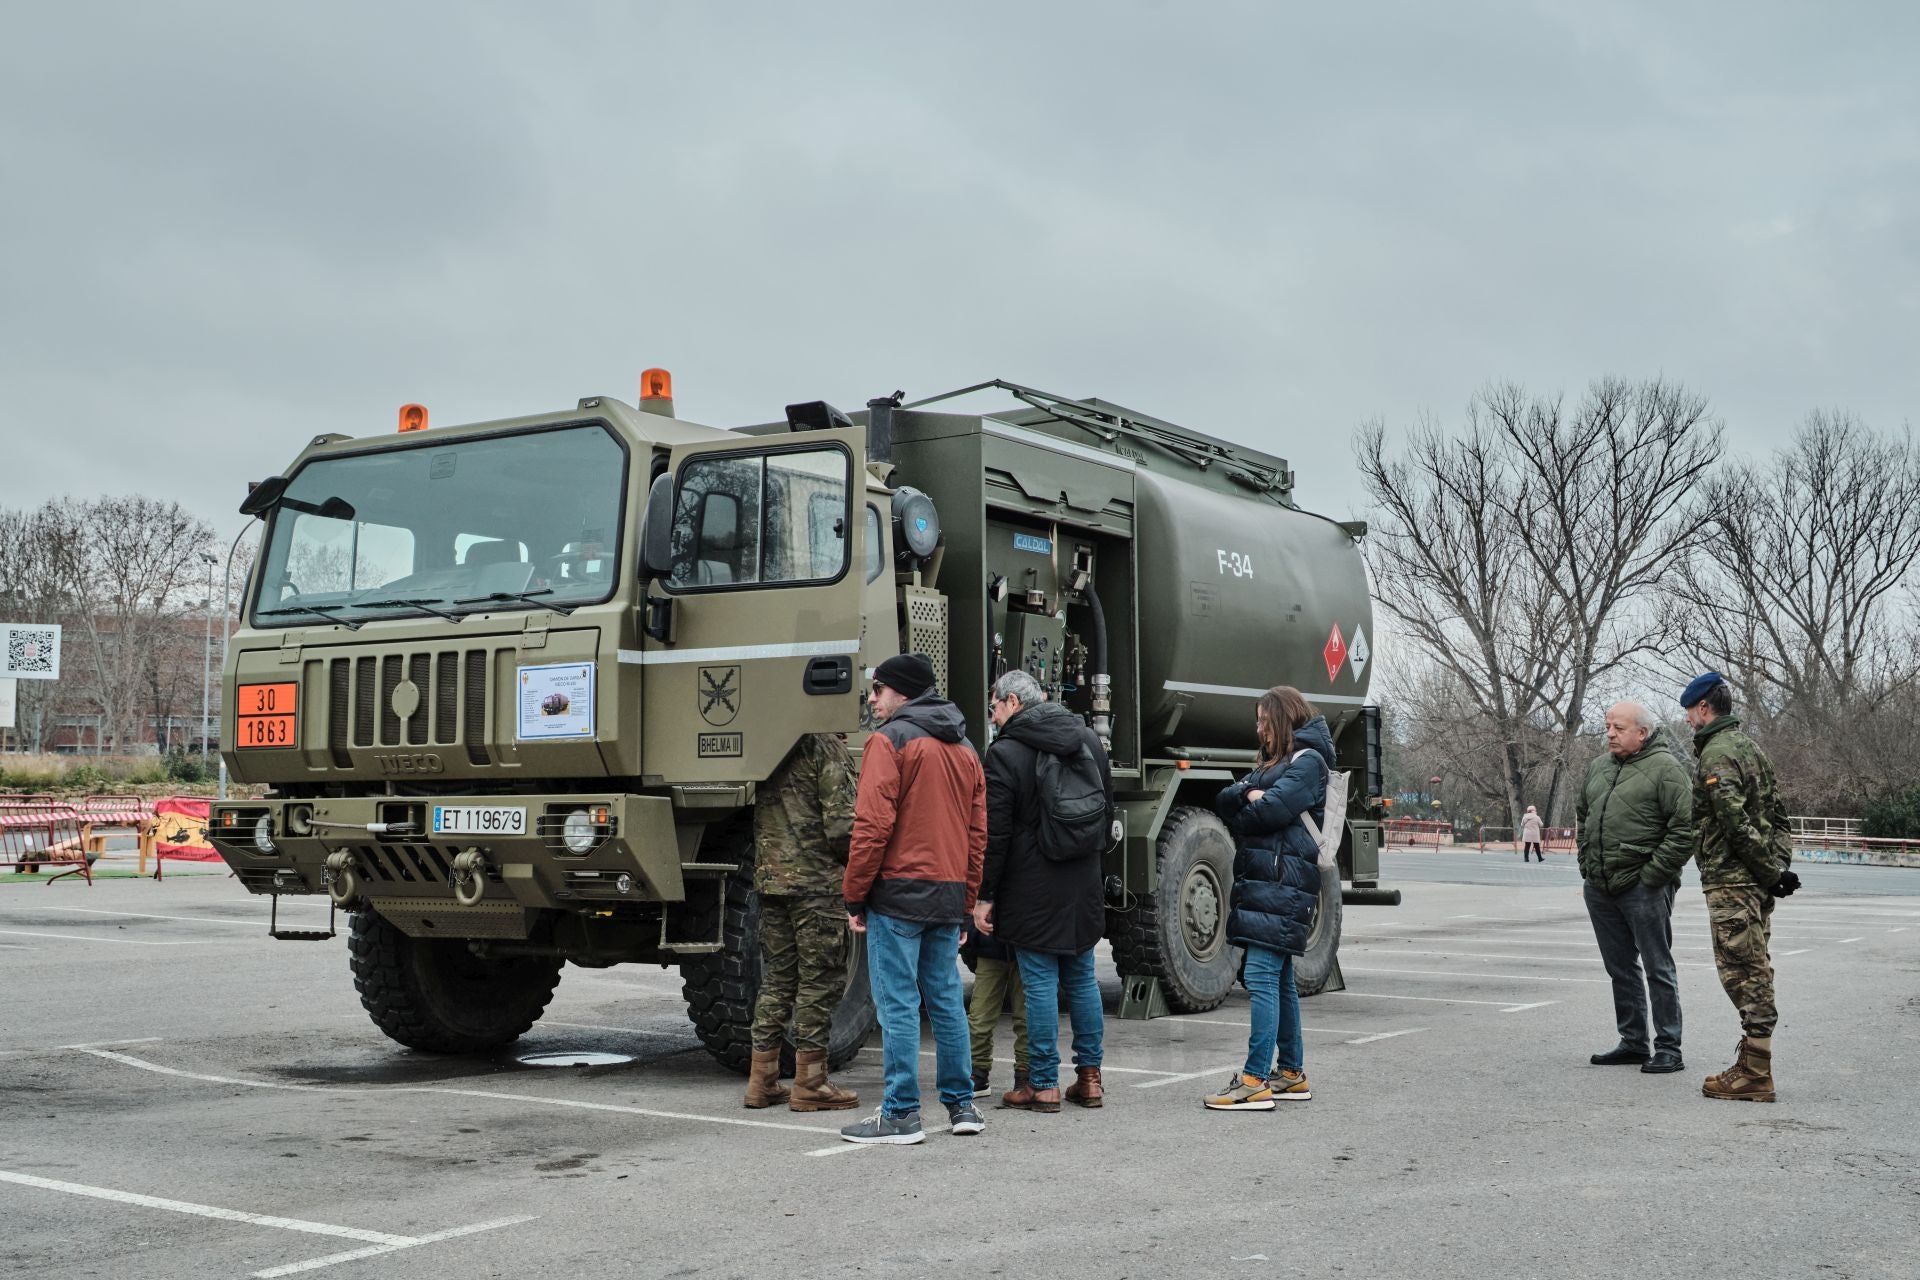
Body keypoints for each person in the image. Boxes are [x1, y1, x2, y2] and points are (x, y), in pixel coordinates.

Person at [839, 653, 988, 1145]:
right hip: (946, 895)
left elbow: (872, 826)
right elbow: (976, 834)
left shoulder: (890, 741)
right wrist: (966, 902)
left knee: (898, 1005)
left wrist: (855, 895)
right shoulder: (964, 746)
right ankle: (962, 1106)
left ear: (900, 692)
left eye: (878, 690)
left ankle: (901, 1113)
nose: (873, 699)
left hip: (897, 893)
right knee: (945, 1001)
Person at [972, 670, 1113, 1113]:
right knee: (1082, 978)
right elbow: (1106, 806)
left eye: (994, 705)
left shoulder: (1006, 752)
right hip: (1081, 878)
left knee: (1038, 984)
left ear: (1013, 701)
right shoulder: (1088, 739)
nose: (992, 714)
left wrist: (984, 895)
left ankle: (1043, 1084)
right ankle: (1089, 1079)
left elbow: (994, 834)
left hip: (1031, 883)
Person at [1203, 686, 1329, 1111]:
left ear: (1281, 719)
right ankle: (1291, 1073)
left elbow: (1268, 812)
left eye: (1262, 721)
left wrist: (1254, 797)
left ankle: (1255, 1079)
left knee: (1259, 975)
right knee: (1278, 980)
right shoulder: (1275, 765)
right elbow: (1225, 801)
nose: (1258, 729)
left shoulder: (1309, 763)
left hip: (1284, 886)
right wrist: (1248, 794)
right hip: (1269, 885)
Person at [1681, 672, 1797, 1103]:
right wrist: (1778, 869)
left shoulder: (1717, 753)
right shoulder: (1753, 750)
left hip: (1734, 881)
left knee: (1743, 971)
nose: (1689, 720)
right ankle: (1753, 1065)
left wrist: (1769, 872)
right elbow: (1779, 816)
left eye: (1690, 712)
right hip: (1755, 880)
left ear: (1704, 708)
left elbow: (1734, 822)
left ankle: (1755, 1073)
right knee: (1754, 965)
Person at [743, 732, 860, 1113]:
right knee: (819, 981)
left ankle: (761, 1081)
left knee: (777, 980)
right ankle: (810, 1082)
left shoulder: (772, 742)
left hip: (771, 880)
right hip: (816, 885)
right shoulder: (826, 748)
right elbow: (842, 825)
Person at [1575, 701, 1694, 1075]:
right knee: (1620, 968)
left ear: (1642, 732)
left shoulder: (1666, 769)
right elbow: (1583, 816)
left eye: (1619, 727)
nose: (1610, 733)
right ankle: (1632, 1042)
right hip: (1600, 885)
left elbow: (1685, 828)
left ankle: (1669, 1048)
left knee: (1659, 967)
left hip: (1644, 887)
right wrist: (1586, 863)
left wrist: (1653, 875)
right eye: (1607, 726)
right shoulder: (1598, 768)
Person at [960, 911, 1029, 1099]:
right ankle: (978, 1072)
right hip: (990, 943)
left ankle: (1024, 1072)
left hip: (1027, 943)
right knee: (979, 1016)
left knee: (1026, 1018)